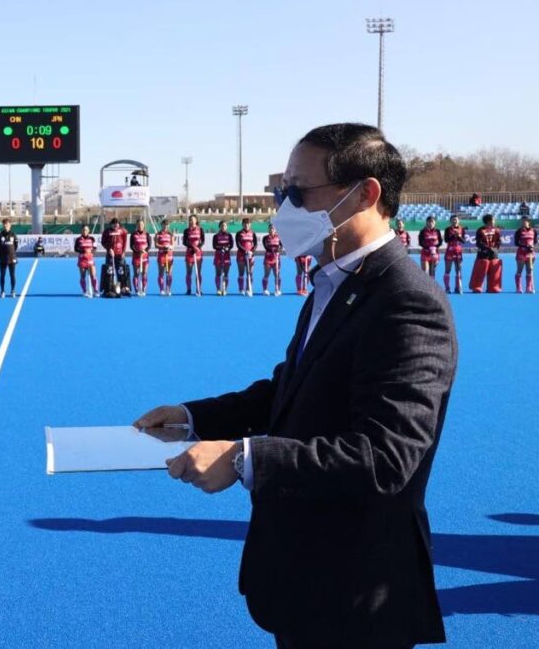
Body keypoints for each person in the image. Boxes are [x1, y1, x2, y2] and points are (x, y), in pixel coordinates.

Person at [134, 123, 455, 648]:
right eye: (283, 192)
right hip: (306, 580)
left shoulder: (405, 301)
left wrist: (244, 459)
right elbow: (289, 390)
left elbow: (386, 456)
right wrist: (193, 418)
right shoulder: (334, 282)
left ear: (365, 194)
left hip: (356, 594)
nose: (284, 208)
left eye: (299, 193)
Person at [470, 213, 502, 293]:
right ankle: (477, 286)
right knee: (481, 268)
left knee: (494, 268)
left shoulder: (497, 230)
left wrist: (495, 248)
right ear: (488, 221)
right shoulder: (480, 230)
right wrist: (487, 248)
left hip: (493, 253)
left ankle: (494, 286)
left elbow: (499, 241)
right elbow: (478, 242)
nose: (494, 221)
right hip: (483, 253)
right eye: (493, 220)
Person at [101, 218, 129, 296]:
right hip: (110, 255)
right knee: (109, 271)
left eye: (117, 223)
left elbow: (125, 242)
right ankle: (109, 288)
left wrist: (123, 252)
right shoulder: (107, 231)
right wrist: (109, 249)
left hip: (120, 255)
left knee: (121, 272)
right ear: (111, 224)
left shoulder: (123, 231)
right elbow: (103, 242)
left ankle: (122, 288)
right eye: (114, 223)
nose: (115, 225)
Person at [443, 214, 467, 294]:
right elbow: (446, 240)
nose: (454, 221)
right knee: (448, 270)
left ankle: (458, 288)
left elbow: (464, 241)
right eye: (453, 220)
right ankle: (447, 288)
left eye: (456, 220)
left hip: (458, 251)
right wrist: (454, 235)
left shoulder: (462, 229)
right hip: (449, 251)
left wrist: (458, 236)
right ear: (450, 221)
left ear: (458, 221)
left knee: (458, 270)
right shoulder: (447, 229)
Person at [181, 215, 204, 296]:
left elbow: (202, 241)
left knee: (198, 273)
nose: (191, 221)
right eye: (190, 220)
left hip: (198, 253)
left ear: (196, 220)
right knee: (189, 272)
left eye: (193, 219)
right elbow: (184, 242)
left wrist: (197, 248)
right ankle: (189, 289)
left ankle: (198, 289)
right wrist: (192, 247)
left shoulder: (200, 229)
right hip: (189, 253)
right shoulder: (186, 231)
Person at [0, 218, 18, 298]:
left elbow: (15, 246)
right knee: (2, 275)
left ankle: (13, 290)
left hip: (12, 257)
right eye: (4, 224)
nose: (6, 226)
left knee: (12, 275)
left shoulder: (13, 234)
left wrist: (11, 252)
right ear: (3, 225)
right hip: (2, 258)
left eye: (7, 224)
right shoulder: (0, 235)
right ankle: (2, 291)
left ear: (10, 225)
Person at [74, 225, 99, 298]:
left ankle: (96, 290)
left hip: (90, 259)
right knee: (83, 276)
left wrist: (92, 251)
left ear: (88, 231)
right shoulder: (78, 239)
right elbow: (76, 249)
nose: (85, 231)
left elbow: (95, 247)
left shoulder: (92, 239)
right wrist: (83, 250)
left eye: (86, 230)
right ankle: (84, 291)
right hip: (82, 260)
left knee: (93, 276)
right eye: (83, 230)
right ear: (81, 231)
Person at [235, 218, 258, 296]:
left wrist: (251, 251)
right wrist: (245, 251)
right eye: (245, 224)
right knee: (241, 273)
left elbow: (255, 244)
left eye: (248, 224)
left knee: (250, 273)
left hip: (250, 255)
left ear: (250, 225)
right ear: (242, 224)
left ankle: (249, 288)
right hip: (241, 255)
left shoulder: (253, 233)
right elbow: (238, 244)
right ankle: (241, 289)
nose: (246, 225)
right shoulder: (239, 233)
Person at [514, 216, 535, 294]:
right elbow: (516, 243)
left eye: (525, 221)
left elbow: (535, 241)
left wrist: (531, 246)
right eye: (522, 221)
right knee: (520, 269)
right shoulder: (518, 231)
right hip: (521, 253)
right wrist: (524, 246)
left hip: (530, 253)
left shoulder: (533, 231)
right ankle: (518, 288)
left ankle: (528, 287)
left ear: (528, 222)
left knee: (529, 270)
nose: (523, 222)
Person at [130, 220, 151, 296]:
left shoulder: (147, 234)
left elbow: (149, 245)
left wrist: (145, 251)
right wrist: (137, 251)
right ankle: (137, 289)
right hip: (136, 256)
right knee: (136, 274)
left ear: (144, 225)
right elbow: (131, 246)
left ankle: (144, 289)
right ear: (136, 225)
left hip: (145, 257)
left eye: (142, 224)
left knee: (144, 273)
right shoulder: (133, 234)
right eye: (139, 224)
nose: (140, 226)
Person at [417, 215, 442, 280]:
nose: (430, 223)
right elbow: (420, 242)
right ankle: (424, 285)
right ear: (426, 222)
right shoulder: (422, 231)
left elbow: (440, 242)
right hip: (425, 253)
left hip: (434, 254)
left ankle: (432, 285)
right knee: (425, 270)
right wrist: (428, 248)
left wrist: (434, 248)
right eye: (429, 222)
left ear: (435, 222)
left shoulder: (437, 231)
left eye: (432, 222)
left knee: (432, 272)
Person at [212, 220, 233, 296]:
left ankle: (224, 289)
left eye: (225, 226)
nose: (223, 227)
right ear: (219, 227)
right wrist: (221, 248)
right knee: (218, 273)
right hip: (218, 255)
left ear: (226, 227)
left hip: (226, 256)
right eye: (222, 226)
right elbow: (214, 246)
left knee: (226, 274)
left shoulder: (229, 235)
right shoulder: (216, 236)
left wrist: (227, 248)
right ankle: (218, 289)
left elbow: (231, 245)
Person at [261, 223, 283, 296]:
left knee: (277, 275)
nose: (271, 230)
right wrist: (273, 250)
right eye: (270, 228)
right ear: (268, 230)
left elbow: (281, 246)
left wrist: (279, 250)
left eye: (273, 228)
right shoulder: (265, 238)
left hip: (276, 259)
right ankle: (265, 289)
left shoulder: (279, 237)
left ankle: (278, 289)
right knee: (266, 274)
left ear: (275, 230)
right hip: (268, 259)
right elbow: (266, 247)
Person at [155, 219, 174, 296]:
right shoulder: (158, 234)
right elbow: (156, 245)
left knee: (169, 274)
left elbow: (173, 245)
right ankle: (161, 289)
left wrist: (169, 247)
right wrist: (163, 246)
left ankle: (168, 289)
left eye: (167, 225)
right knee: (161, 273)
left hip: (169, 256)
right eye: (164, 225)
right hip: (161, 256)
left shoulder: (171, 234)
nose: (165, 226)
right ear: (161, 225)